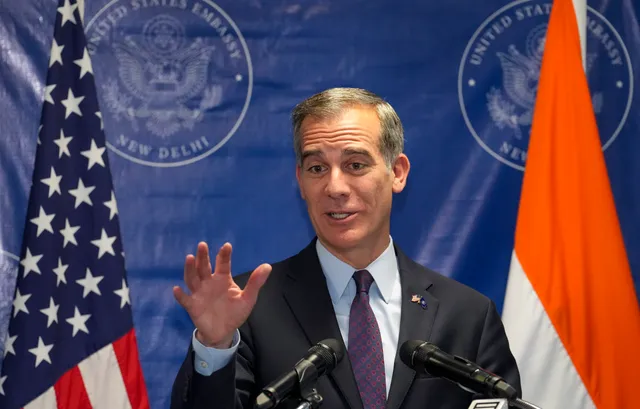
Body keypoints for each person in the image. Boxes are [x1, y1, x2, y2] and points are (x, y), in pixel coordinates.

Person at [170, 88, 521, 409]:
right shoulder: (249, 309)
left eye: (355, 165)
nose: (335, 186)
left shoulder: (467, 315)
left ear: (397, 172)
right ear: (301, 181)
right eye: (317, 168)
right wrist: (214, 348)